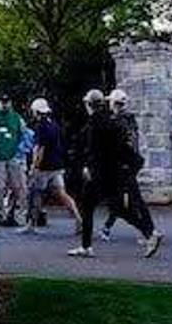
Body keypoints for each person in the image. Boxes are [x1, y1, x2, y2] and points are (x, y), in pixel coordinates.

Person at [68, 89, 163, 258]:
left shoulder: (94, 124)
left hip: (100, 174)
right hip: (115, 173)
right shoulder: (111, 121)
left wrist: (87, 168)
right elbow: (122, 148)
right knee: (116, 208)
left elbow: (92, 151)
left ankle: (86, 246)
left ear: (89, 105)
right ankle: (149, 233)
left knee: (91, 206)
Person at [19, 98, 81, 234]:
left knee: (36, 194)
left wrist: (34, 166)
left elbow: (40, 149)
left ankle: (31, 224)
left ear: (36, 111)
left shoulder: (41, 126)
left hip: (44, 167)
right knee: (62, 193)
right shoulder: (54, 124)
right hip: (57, 165)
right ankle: (78, 218)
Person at [99, 89, 152, 242]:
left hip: (123, 165)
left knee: (128, 199)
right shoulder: (129, 119)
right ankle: (109, 227)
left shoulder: (118, 121)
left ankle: (148, 232)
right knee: (125, 198)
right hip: (130, 163)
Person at [0, 93, 28, 227]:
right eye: (2, 101)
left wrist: (15, 150)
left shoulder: (15, 117)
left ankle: (11, 214)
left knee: (17, 186)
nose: (4, 104)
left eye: (6, 101)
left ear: (10, 102)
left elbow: (20, 135)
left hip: (12, 157)